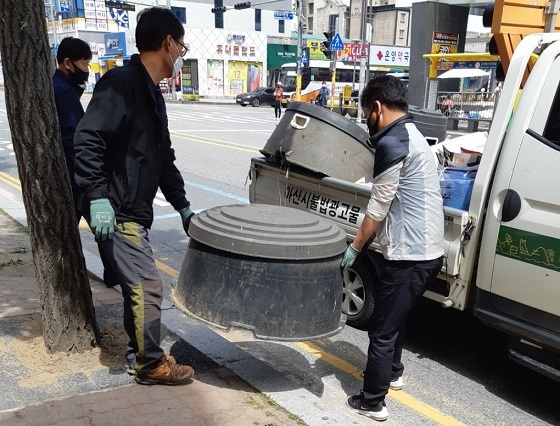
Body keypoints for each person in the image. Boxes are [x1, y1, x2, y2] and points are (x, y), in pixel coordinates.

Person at [74, 7, 195, 386]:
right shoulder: (120, 83)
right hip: (117, 209)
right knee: (148, 286)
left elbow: (163, 159)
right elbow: (87, 139)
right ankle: (150, 365)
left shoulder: (151, 94)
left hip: (134, 210)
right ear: (168, 43)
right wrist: (97, 197)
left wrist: (183, 206)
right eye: (182, 46)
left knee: (136, 290)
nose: (181, 54)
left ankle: (140, 354)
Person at [342, 76, 444, 421]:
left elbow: (377, 208)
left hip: (411, 255)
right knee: (396, 316)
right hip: (429, 252)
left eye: (365, 112)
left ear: (377, 108)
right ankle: (394, 372)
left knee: (382, 328)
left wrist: (355, 248)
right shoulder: (414, 135)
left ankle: (373, 401)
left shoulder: (393, 142)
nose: (367, 120)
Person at [52, 37, 120, 289]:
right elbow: (74, 142)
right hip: (77, 177)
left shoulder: (58, 87)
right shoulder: (66, 93)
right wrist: (92, 182)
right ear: (68, 63)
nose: (87, 69)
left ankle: (110, 274)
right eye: (84, 63)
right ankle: (116, 275)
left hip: (68, 176)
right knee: (104, 227)